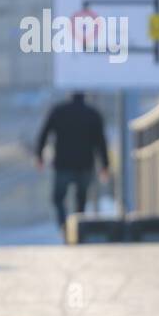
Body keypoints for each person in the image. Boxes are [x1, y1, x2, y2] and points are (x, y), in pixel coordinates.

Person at [35, 91, 111, 230]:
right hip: (85, 164)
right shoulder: (93, 114)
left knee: (58, 198)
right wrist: (105, 166)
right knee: (81, 199)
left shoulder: (59, 111)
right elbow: (101, 143)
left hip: (63, 164)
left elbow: (44, 134)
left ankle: (64, 226)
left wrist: (39, 156)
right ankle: (78, 228)